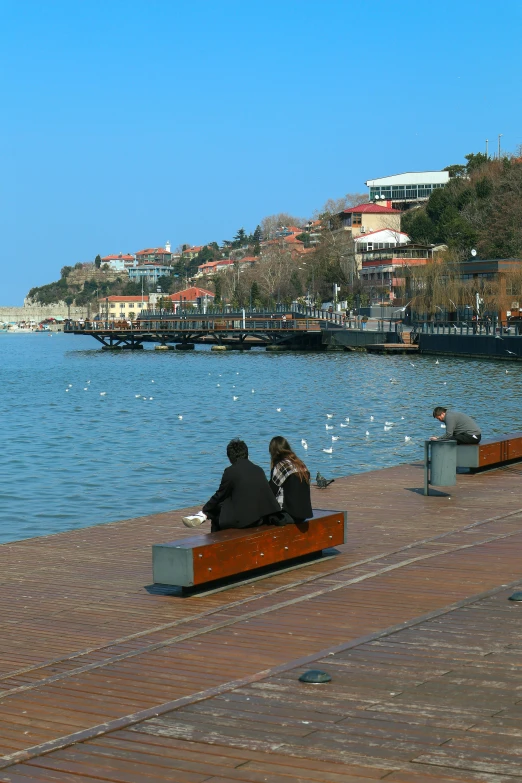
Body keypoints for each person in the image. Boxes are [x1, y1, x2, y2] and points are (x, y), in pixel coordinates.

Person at [183, 438, 281, 531]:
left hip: (242, 522)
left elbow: (220, 495)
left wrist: (205, 509)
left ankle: (205, 519)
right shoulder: (259, 470)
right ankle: (203, 516)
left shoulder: (230, 471)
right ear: (247, 454)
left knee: (218, 511)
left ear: (230, 458)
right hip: (260, 518)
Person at [269, 436, 313, 524]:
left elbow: (271, 492)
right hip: (304, 514)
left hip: (289, 515)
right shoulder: (300, 464)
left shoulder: (281, 466)